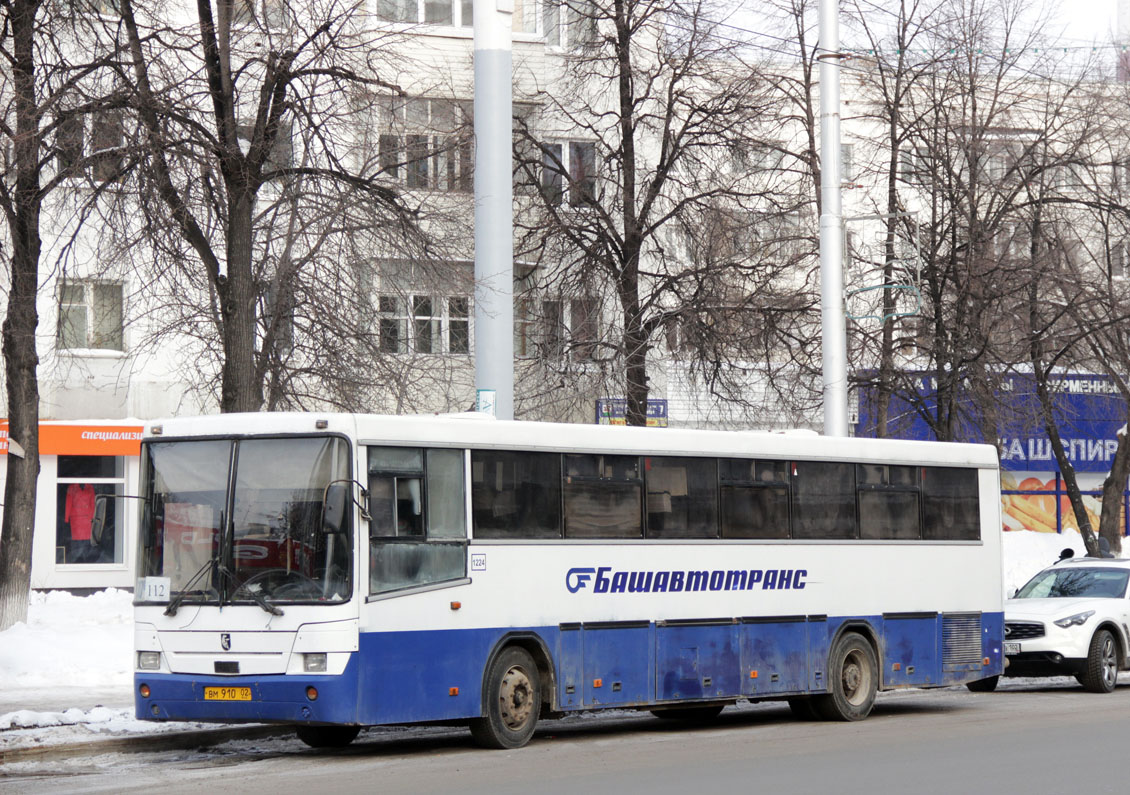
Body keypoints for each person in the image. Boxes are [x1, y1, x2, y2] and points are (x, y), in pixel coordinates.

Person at [65, 482, 98, 563]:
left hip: (87, 518)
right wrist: (66, 518)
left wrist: (92, 517)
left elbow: (92, 503)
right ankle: (77, 560)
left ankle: (86, 560)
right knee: (77, 541)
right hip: (76, 518)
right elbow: (68, 503)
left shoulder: (90, 487)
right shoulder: (71, 487)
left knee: (87, 541)